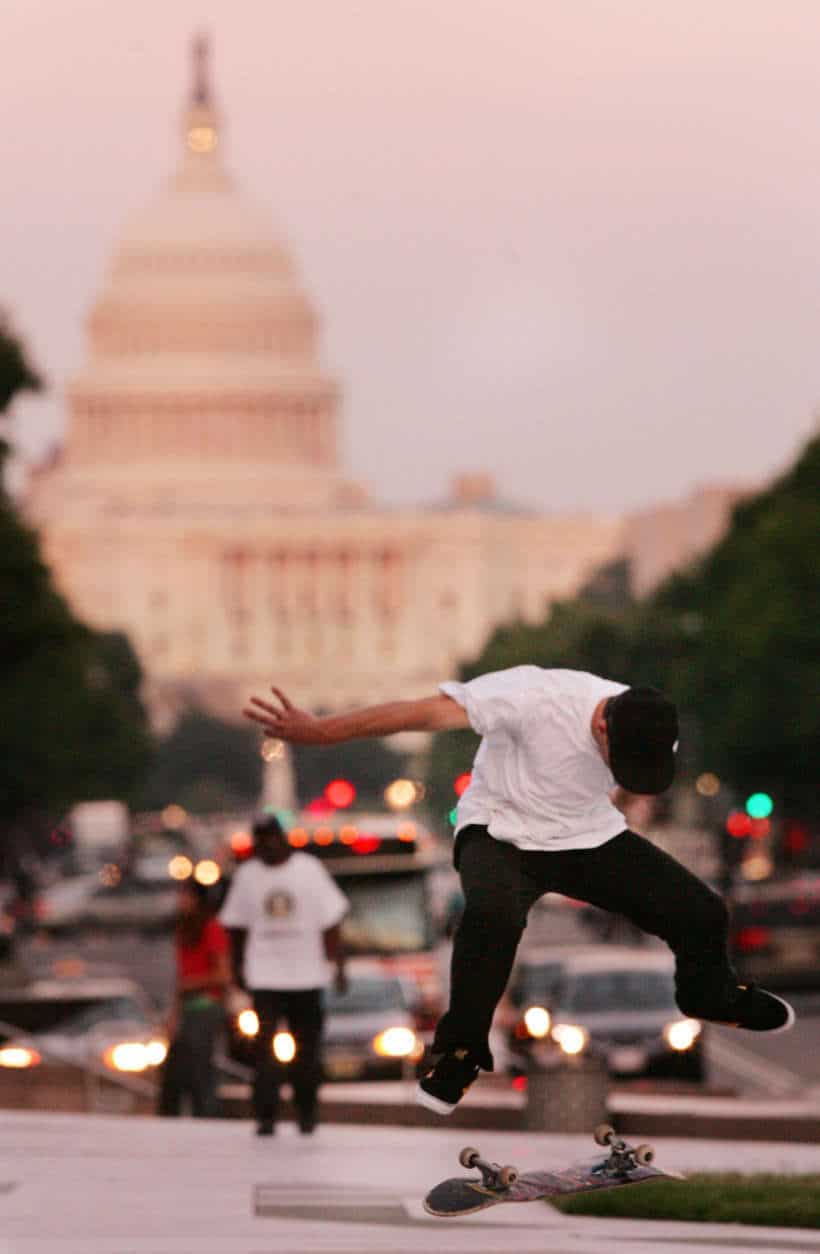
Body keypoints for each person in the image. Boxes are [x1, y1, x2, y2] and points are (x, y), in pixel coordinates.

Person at [243, 669, 796, 1116]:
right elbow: (422, 713)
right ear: (602, 728)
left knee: (701, 910)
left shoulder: (648, 720)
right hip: (500, 834)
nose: (617, 771)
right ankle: (458, 1051)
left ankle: (709, 995)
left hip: (587, 839)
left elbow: (631, 796)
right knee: (494, 917)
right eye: (616, 761)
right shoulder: (529, 696)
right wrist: (320, 732)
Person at [219, 814, 348, 1136]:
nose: (266, 846)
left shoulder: (309, 870)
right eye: (260, 841)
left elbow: (331, 923)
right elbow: (236, 929)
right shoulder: (247, 875)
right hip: (265, 978)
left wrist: (339, 967)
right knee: (263, 1051)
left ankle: (307, 1112)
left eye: (270, 839)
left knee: (307, 1051)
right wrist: (237, 970)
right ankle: (266, 1115)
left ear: (282, 837)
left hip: (307, 975)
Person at [158, 878, 230, 1118]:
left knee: (200, 1069)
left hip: (207, 1006)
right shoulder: (183, 931)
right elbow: (180, 980)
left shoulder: (211, 928)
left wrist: (192, 985)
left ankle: (207, 1115)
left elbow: (223, 974)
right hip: (187, 1008)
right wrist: (173, 1017)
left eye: (184, 896)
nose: (180, 902)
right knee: (174, 1071)